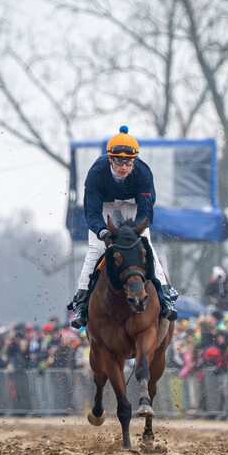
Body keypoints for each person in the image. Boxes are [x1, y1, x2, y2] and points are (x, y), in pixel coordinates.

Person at [67, 125, 178, 328]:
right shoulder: (96, 173)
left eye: (129, 161)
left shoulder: (143, 172)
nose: (124, 167)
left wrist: (135, 232)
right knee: (96, 250)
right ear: (110, 158)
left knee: (146, 246)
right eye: (119, 161)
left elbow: (146, 210)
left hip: (133, 206)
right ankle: (81, 304)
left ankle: (165, 296)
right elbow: (91, 212)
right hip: (105, 206)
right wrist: (103, 232)